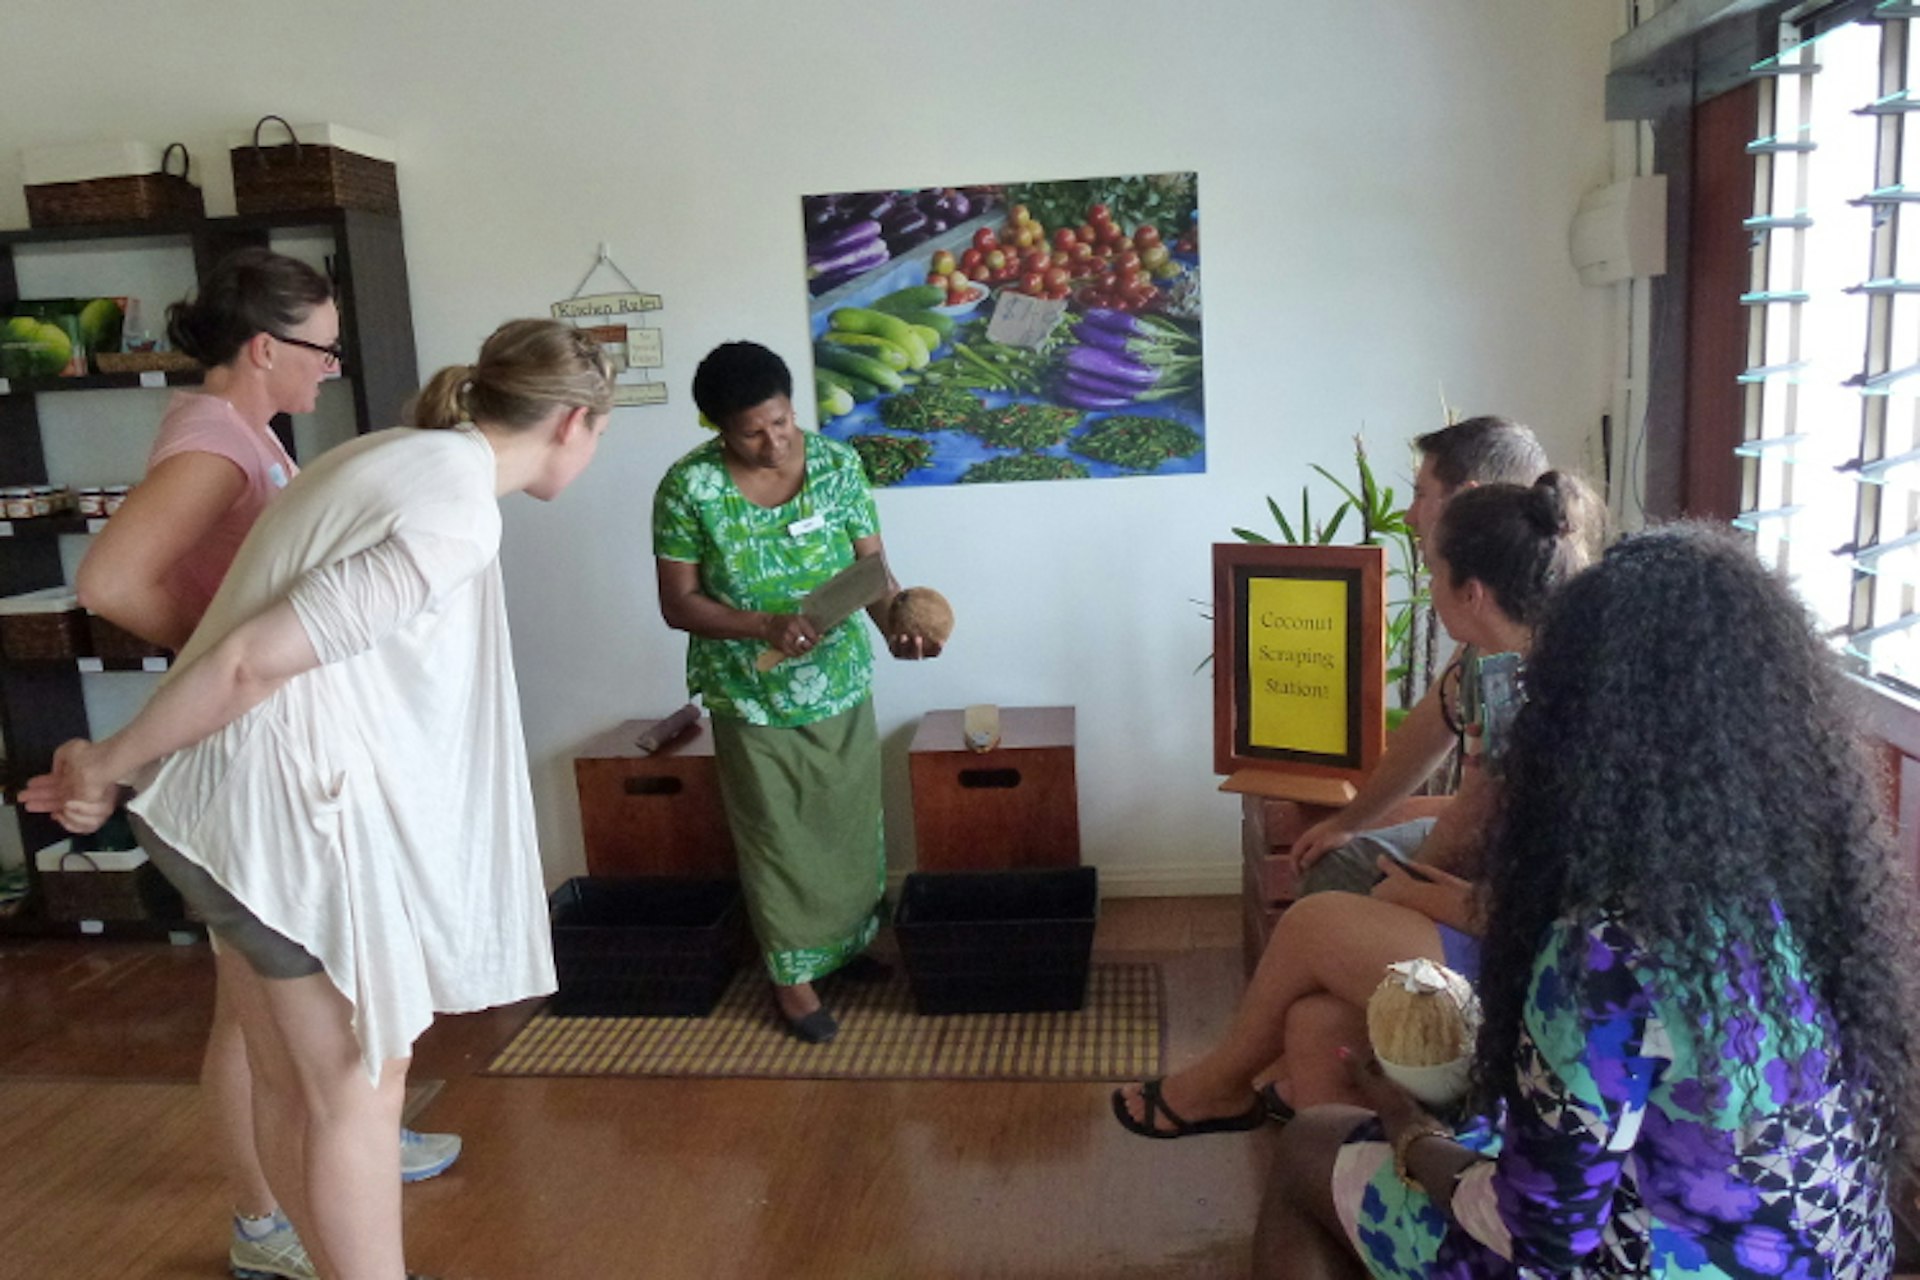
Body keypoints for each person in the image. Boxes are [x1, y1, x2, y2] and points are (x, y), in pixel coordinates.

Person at [27, 317, 614, 1280]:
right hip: (275, 823)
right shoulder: (454, 513)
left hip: (226, 815)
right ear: (573, 424)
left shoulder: (401, 454)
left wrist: (127, 765)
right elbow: (255, 660)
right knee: (357, 1091)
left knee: (298, 1083)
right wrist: (111, 762)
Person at [1254, 524, 1914, 1279]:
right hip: (1839, 1260)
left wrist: (1411, 1134)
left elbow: (1540, 1235)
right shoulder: (1818, 896)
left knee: (1312, 1146)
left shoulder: (1607, 947)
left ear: (1578, 726)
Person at [72, 246, 459, 1280]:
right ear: (263, 347)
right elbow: (108, 578)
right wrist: (217, 650)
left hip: (251, 747)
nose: (330, 368)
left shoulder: (245, 432)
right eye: (322, 350)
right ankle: (274, 1210)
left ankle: (316, 1174)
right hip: (236, 755)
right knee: (261, 1025)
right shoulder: (213, 441)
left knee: (252, 1016)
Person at [1114, 474, 1594, 1136]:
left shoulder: (1542, 697)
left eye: (1434, 573)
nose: (1428, 587)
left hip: (1554, 972)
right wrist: (1398, 866)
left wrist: (1423, 895)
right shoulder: (1501, 669)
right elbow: (1480, 822)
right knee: (1315, 1029)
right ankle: (1352, 1209)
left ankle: (1216, 1085)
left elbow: (1550, 894)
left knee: (1313, 925)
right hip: (1508, 924)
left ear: (1472, 592)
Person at [653, 341, 940, 1044]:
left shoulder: (838, 465)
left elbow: (873, 572)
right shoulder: (689, 488)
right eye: (752, 430)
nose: (773, 440)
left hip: (840, 682)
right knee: (776, 835)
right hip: (751, 696)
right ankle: (792, 978)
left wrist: (898, 628)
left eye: (781, 421)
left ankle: (845, 947)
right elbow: (678, 604)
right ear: (716, 428)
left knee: (847, 827)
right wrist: (764, 624)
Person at [1291, 416, 1550, 898]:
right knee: (1337, 864)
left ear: (1464, 496)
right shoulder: (1490, 610)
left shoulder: (1518, 648)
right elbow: (1438, 718)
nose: (1409, 515)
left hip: (1523, 876)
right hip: (1489, 843)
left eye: (1420, 493)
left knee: (1339, 891)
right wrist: (1348, 823)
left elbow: (1480, 814)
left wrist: (1399, 890)